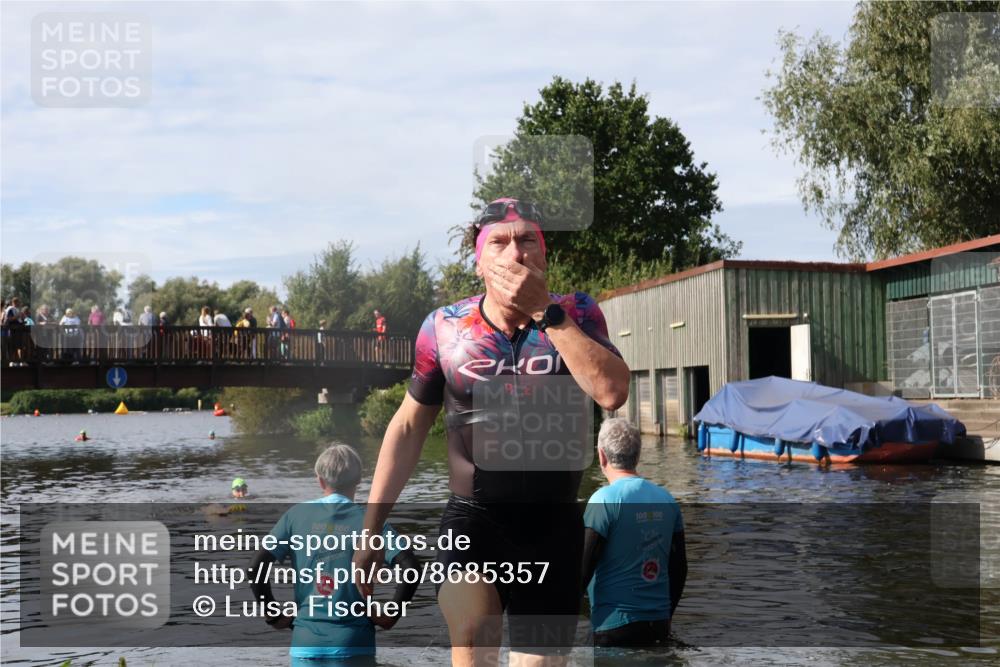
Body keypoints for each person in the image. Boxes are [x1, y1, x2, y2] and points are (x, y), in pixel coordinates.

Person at [353, 198, 630, 666]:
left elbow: (612, 392)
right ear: (480, 262)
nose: (515, 252)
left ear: (543, 257)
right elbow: (405, 428)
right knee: (474, 629)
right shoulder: (444, 328)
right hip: (474, 520)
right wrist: (371, 530)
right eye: (499, 242)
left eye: (527, 241)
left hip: (552, 525)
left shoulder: (577, 313)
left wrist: (545, 310)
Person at [250, 444, 421, 665]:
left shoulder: (295, 516)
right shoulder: (372, 522)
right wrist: (392, 613)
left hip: (305, 645)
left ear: (320, 480)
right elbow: (411, 568)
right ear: (359, 480)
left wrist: (272, 613)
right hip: (354, 644)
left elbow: (256, 568)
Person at [582, 418, 687, 648]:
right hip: (658, 625)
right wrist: (666, 616)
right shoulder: (667, 500)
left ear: (601, 455)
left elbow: (583, 568)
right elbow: (679, 569)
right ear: (638, 456)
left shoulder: (604, 500)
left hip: (613, 628)